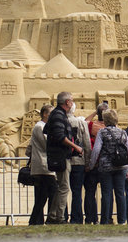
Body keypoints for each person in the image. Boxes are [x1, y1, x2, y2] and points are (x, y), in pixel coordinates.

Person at [44, 92, 83, 225]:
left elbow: (48, 130)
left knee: (61, 186)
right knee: (64, 187)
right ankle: (59, 217)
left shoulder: (56, 115)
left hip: (59, 155)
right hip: (60, 156)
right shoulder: (58, 115)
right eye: (71, 100)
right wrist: (76, 147)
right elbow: (60, 136)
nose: (72, 103)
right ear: (67, 102)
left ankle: (52, 215)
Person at [89, 108, 128, 224]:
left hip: (105, 167)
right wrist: (127, 168)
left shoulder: (102, 132)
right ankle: (122, 220)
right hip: (121, 167)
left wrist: (91, 165)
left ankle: (105, 220)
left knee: (106, 193)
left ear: (105, 120)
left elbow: (96, 150)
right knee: (120, 193)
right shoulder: (123, 132)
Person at [29, 104, 55, 225]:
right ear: (45, 114)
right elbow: (47, 144)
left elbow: (29, 148)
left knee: (43, 195)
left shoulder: (42, 126)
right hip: (43, 166)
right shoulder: (40, 127)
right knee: (45, 195)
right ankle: (37, 220)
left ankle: (36, 220)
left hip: (44, 166)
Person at [83, 101, 107, 224]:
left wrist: (95, 112)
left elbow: (85, 121)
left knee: (90, 192)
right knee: (106, 193)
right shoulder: (110, 128)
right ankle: (106, 218)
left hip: (94, 163)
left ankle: (90, 218)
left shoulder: (93, 125)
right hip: (106, 164)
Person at [68, 105, 91, 224]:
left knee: (63, 191)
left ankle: (63, 216)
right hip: (79, 161)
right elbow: (87, 143)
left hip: (65, 161)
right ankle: (76, 218)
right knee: (77, 192)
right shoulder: (81, 122)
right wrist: (88, 162)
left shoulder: (61, 122)